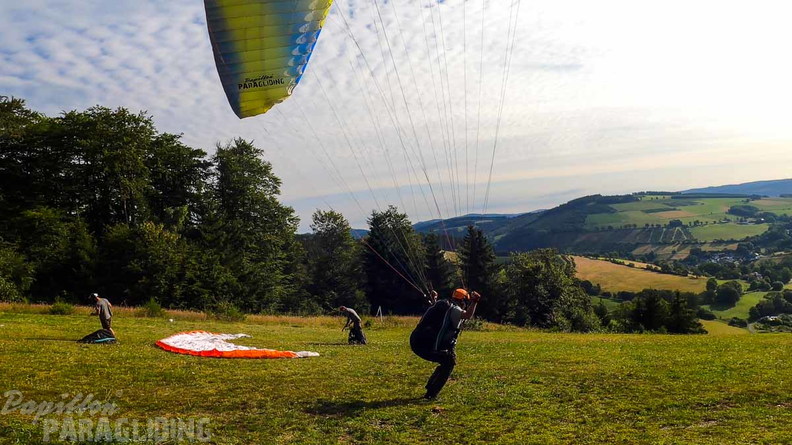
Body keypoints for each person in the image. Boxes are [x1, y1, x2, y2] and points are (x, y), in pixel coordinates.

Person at [410, 288, 481, 400]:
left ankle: (430, 388)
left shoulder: (441, 304)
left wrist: (434, 298)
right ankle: (431, 394)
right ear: (462, 301)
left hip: (416, 341)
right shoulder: (455, 309)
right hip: (428, 346)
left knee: (446, 360)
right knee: (449, 362)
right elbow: (467, 315)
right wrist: (475, 302)